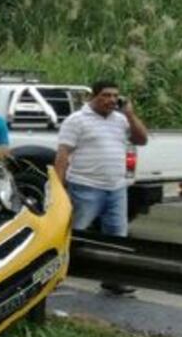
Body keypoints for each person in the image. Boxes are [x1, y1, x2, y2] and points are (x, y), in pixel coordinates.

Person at [55, 80, 149, 294]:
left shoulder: (121, 120)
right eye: (106, 95)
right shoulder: (77, 121)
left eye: (115, 96)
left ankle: (113, 279)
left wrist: (130, 115)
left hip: (116, 188)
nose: (111, 100)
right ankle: (56, 275)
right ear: (93, 97)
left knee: (117, 237)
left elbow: (142, 139)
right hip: (86, 186)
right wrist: (58, 189)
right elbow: (62, 155)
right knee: (75, 234)